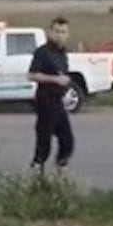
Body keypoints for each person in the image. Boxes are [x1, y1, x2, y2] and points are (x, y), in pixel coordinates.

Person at [28, 16, 74, 172]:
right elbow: (32, 75)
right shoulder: (42, 52)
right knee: (44, 137)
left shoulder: (62, 53)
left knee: (67, 139)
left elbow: (63, 74)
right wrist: (55, 79)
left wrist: (65, 83)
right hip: (45, 99)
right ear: (50, 32)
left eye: (63, 32)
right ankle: (37, 168)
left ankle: (61, 165)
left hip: (58, 99)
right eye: (57, 31)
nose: (60, 35)